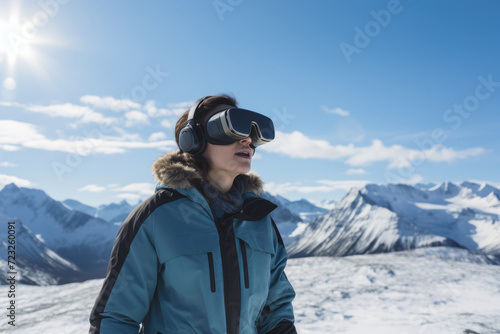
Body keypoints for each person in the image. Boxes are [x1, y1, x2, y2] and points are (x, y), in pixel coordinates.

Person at [89, 94, 297, 334]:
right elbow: (116, 317)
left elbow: (276, 309)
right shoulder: (157, 218)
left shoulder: (259, 219)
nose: (247, 139)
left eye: (251, 133)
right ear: (193, 140)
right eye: (228, 126)